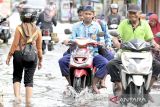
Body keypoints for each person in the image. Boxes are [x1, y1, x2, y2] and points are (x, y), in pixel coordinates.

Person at [107, 4, 160, 97]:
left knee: (157, 65)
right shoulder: (123, 23)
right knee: (110, 64)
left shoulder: (145, 24)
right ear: (128, 14)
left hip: (143, 54)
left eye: (134, 13)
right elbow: (115, 37)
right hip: (126, 53)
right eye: (130, 13)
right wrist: (117, 44)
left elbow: (150, 39)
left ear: (139, 14)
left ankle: (148, 88)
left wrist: (156, 45)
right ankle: (120, 87)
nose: (132, 15)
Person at [59, 5, 109, 94]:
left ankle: (94, 84)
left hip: (92, 54)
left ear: (93, 15)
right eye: (86, 14)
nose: (88, 16)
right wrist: (67, 40)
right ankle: (70, 83)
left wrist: (101, 43)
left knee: (105, 63)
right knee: (62, 61)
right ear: (83, 14)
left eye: (90, 14)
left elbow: (101, 39)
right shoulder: (76, 26)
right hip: (76, 53)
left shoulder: (97, 26)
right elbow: (72, 37)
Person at [6, 5, 42, 105]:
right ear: (34, 17)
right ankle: (28, 101)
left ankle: (17, 98)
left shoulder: (19, 28)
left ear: (22, 16)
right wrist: (40, 60)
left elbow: (14, 44)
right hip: (32, 56)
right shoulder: (38, 30)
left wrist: (9, 56)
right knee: (29, 80)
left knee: (17, 77)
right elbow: (39, 48)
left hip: (18, 54)